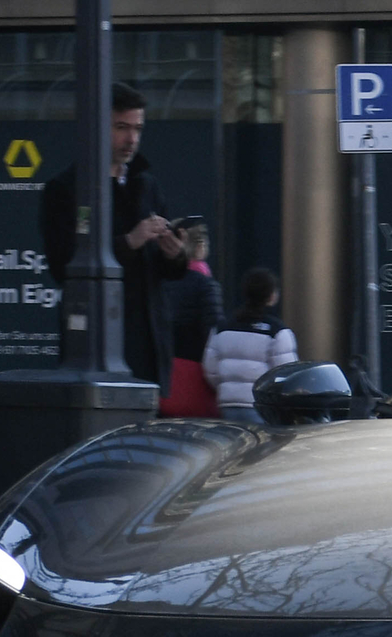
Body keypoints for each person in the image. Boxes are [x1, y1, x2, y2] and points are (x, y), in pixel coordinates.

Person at [36, 83, 188, 388]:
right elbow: (63, 265)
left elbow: (166, 271)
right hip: (99, 343)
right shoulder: (67, 190)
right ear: (97, 126)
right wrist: (130, 241)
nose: (131, 139)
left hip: (148, 342)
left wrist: (175, 254)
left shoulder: (146, 184)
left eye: (138, 129)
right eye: (121, 127)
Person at [203, 269, 298, 424]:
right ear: (272, 296)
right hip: (262, 407)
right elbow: (286, 374)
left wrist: (228, 387)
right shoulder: (277, 332)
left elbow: (211, 369)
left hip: (227, 405)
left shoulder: (222, 328)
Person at [158, 222, 223, 417]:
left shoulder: (160, 281)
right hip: (196, 380)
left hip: (162, 377)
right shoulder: (205, 285)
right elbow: (213, 333)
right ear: (201, 247)